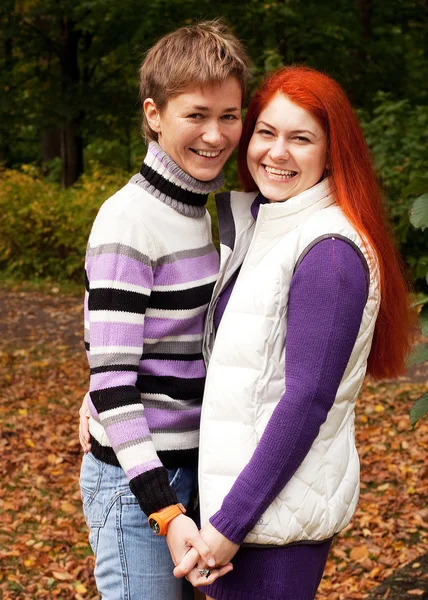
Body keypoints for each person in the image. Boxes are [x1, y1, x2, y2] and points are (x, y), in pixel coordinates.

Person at [171, 66, 415, 599]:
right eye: (267, 132)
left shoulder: (328, 252)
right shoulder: (267, 227)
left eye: (300, 138)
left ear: (332, 152)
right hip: (240, 513)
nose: (277, 152)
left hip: (269, 526)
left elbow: (305, 401)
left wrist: (228, 527)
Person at [79, 20, 250, 600]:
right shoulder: (129, 221)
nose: (215, 134)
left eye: (229, 116)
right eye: (196, 115)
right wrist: (168, 513)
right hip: (140, 489)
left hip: (198, 471)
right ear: (154, 114)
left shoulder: (209, 214)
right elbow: (114, 382)